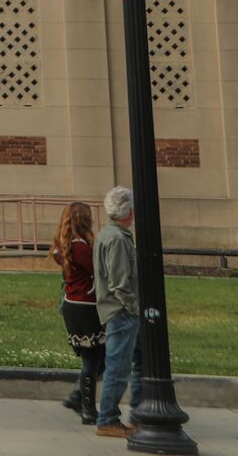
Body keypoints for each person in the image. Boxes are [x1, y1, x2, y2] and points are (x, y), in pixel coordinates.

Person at [94, 186, 142, 436]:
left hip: (118, 311)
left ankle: (140, 413)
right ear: (129, 212)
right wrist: (135, 309)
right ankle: (108, 419)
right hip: (121, 312)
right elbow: (119, 283)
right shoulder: (117, 239)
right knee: (119, 365)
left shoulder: (109, 234)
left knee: (138, 361)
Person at [52, 201, 104, 424]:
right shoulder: (80, 247)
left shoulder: (63, 245)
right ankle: (86, 407)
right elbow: (99, 270)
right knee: (94, 357)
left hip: (74, 305)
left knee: (95, 356)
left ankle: (80, 398)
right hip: (86, 306)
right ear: (83, 220)